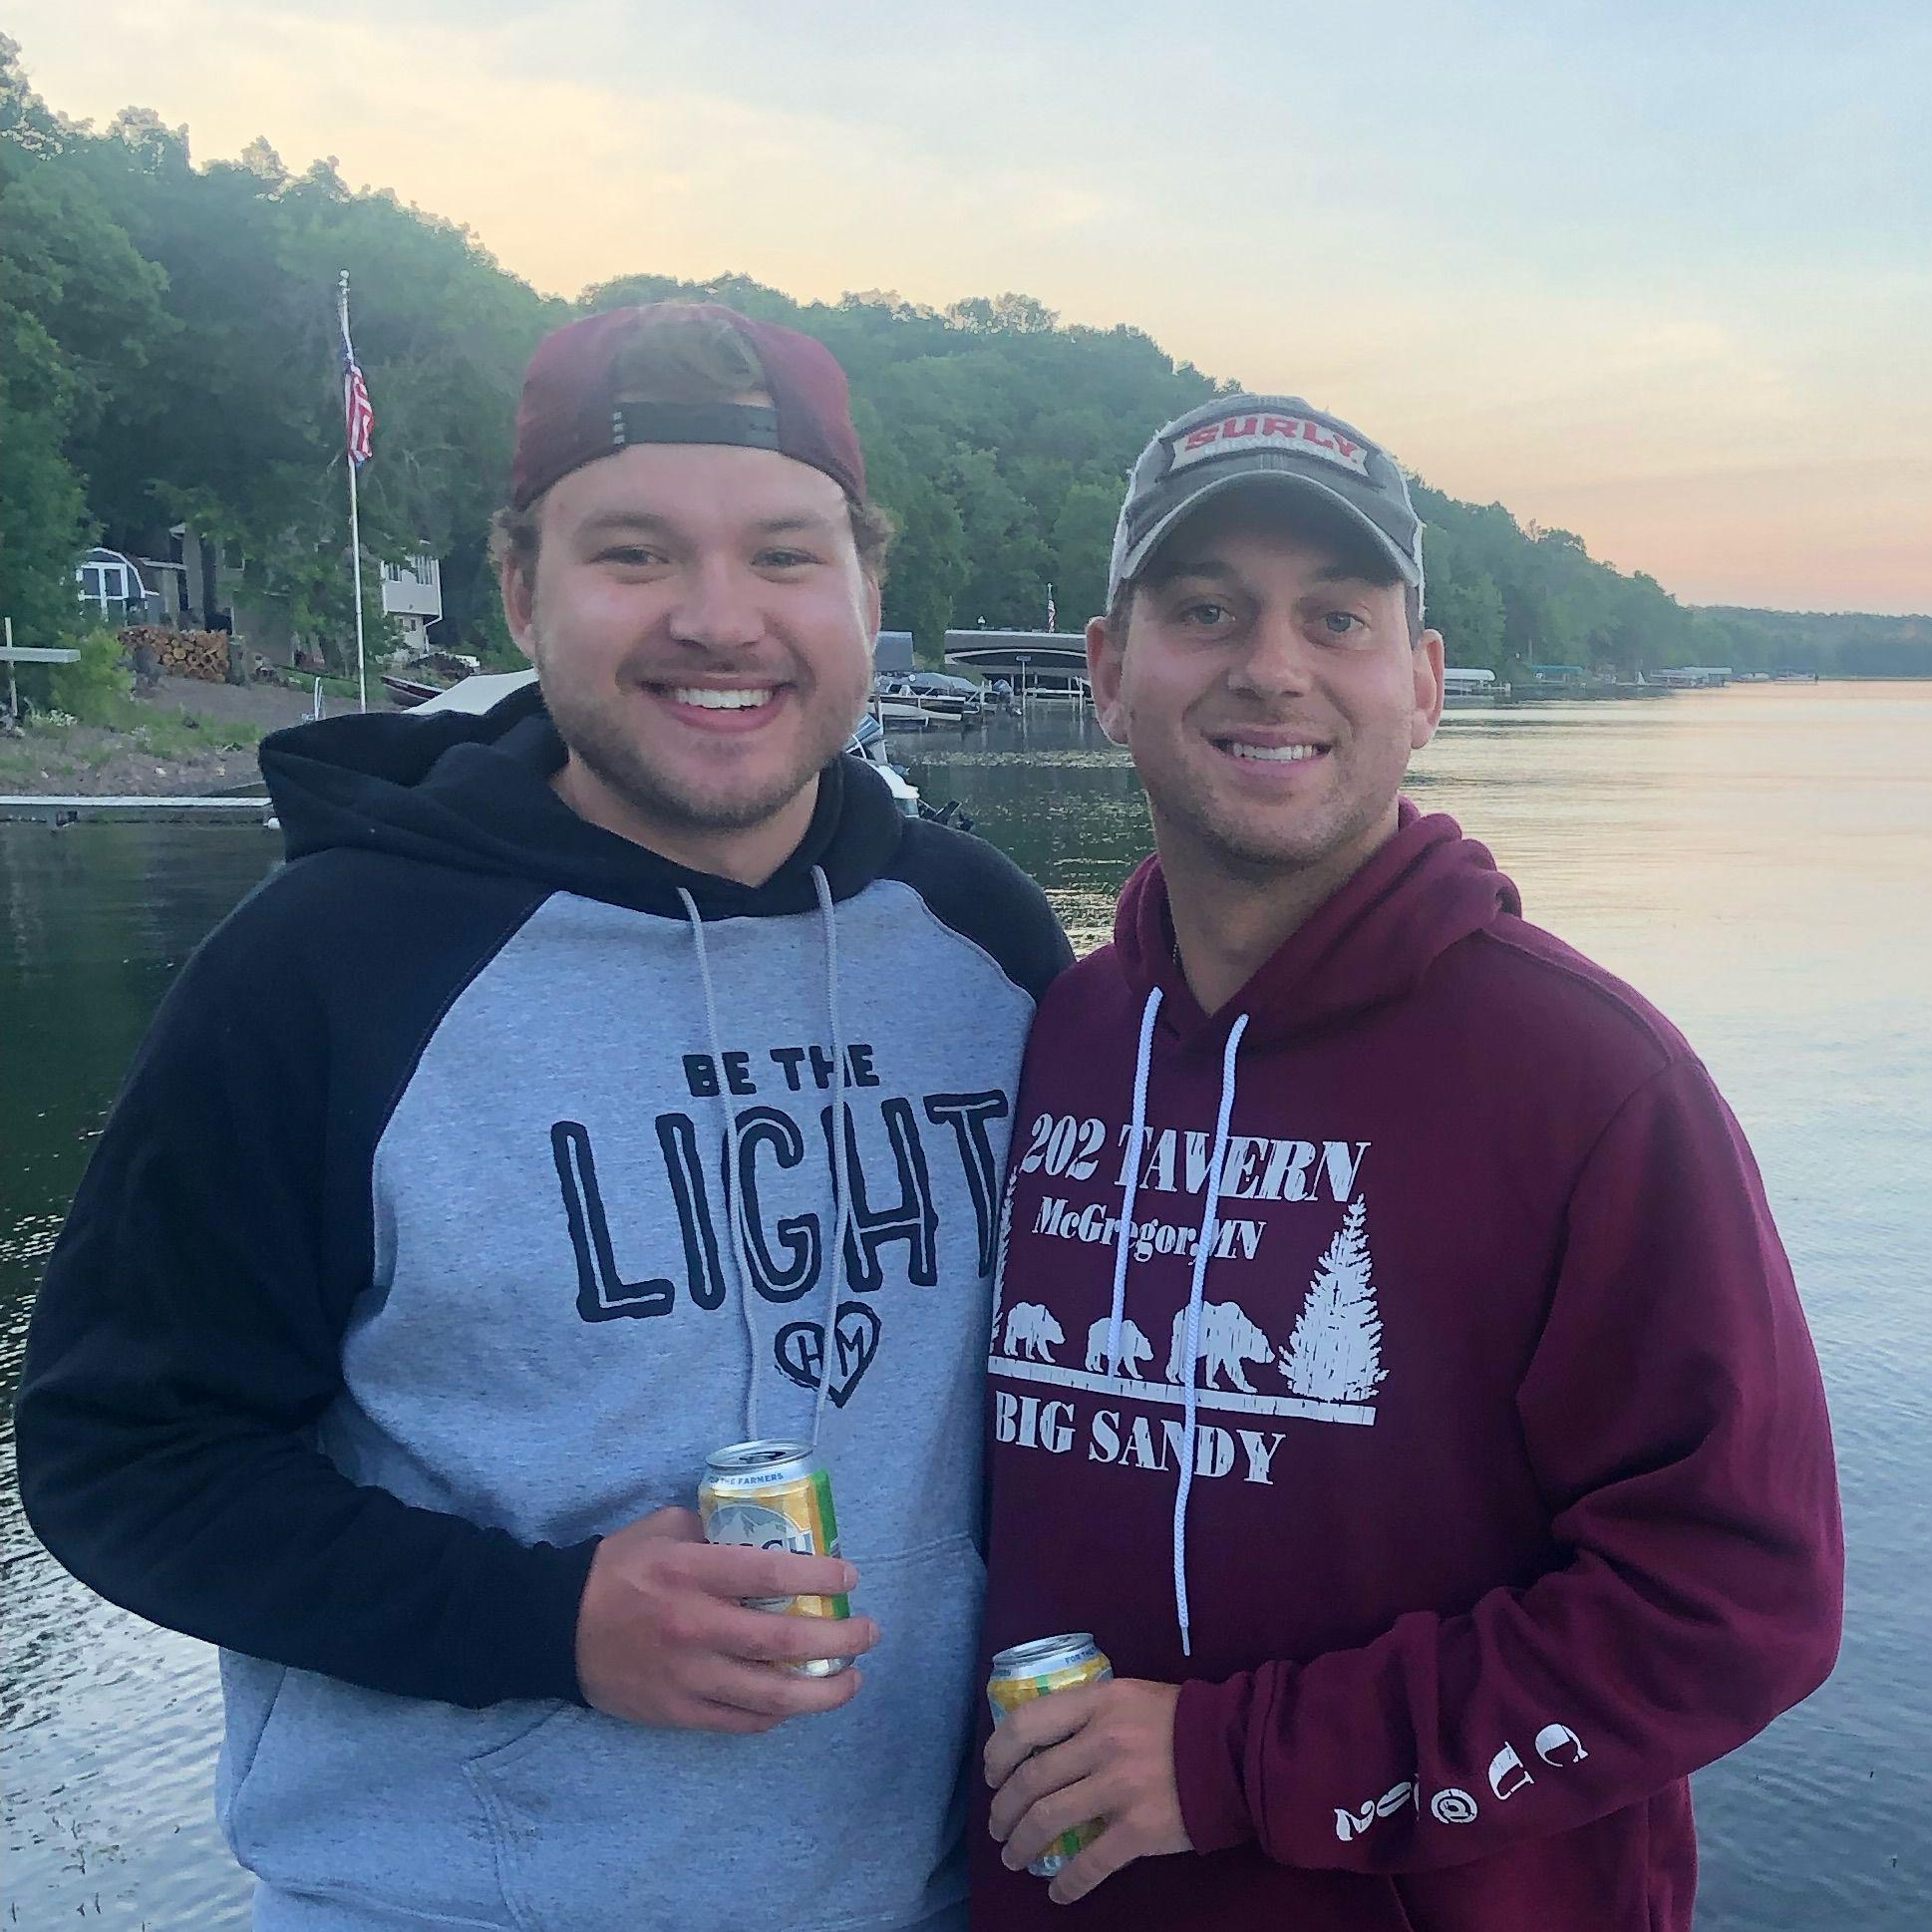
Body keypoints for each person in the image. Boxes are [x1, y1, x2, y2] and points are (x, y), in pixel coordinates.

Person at [17, 302, 1069, 1932]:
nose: (718, 619)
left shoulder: (984, 943)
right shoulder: (328, 967)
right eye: (633, 553)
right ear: (521, 589)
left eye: (784, 555)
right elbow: (120, 1456)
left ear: (866, 585)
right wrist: (547, 1619)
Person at [974, 395, 1841, 1929]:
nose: (1271, 665)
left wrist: (1237, 1761)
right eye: (1203, 610)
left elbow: (1733, 1603)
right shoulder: (1055, 1038)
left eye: (1336, 617)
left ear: (1423, 683)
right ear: (1108, 673)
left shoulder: (1591, 1082)